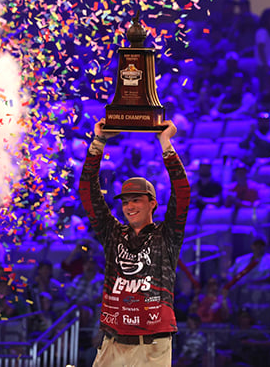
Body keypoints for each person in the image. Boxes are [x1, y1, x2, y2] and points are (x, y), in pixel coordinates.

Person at [79, 119, 190, 366]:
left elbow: (182, 194)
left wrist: (166, 145)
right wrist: (98, 142)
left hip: (152, 344)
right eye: (126, 201)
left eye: (136, 200)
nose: (129, 206)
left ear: (152, 203)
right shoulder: (113, 233)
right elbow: (88, 192)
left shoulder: (167, 235)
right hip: (113, 341)